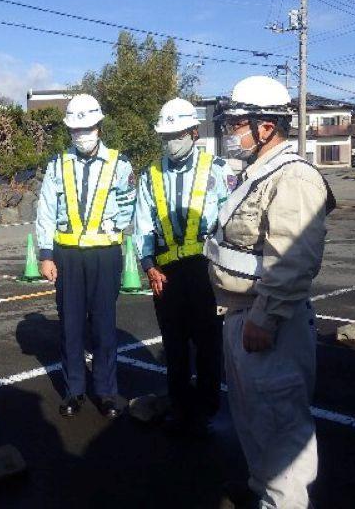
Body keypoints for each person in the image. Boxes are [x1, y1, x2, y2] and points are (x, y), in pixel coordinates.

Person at [205, 76, 334, 508]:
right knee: (253, 418)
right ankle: (262, 489)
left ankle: (283, 501)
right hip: (240, 313)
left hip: (268, 320)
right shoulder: (257, 172)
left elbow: (293, 260)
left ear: (266, 126)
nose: (231, 131)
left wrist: (266, 316)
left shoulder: (294, 176)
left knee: (281, 426)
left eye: (237, 123)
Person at [132, 98, 234, 435]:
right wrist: (148, 265)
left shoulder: (218, 169)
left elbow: (231, 221)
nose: (172, 141)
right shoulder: (151, 175)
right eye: (166, 136)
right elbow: (142, 224)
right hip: (165, 273)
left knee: (208, 344)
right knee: (174, 345)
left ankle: (206, 409)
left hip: (206, 269)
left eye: (177, 134)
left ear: (194, 132)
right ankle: (179, 406)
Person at [35, 93, 135, 419]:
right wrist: (45, 255)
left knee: (104, 327)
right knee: (71, 326)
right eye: (76, 130)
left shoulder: (120, 164)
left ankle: (106, 391)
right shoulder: (57, 164)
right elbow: (46, 210)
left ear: (99, 127)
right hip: (67, 255)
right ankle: (74, 390)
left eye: (87, 128)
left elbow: (129, 203)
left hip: (105, 255)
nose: (82, 135)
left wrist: (116, 225)